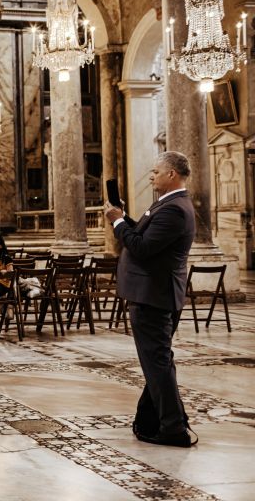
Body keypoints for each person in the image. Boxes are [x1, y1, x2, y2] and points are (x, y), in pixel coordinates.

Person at [105, 151, 196, 448]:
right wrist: (123, 218)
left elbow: (142, 248)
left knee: (157, 364)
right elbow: (145, 236)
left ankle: (173, 429)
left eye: (156, 171)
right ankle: (158, 420)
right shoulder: (167, 204)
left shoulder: (174, 209)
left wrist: (118, 223)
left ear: (172, 174)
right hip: (154, 293)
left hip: (153, 296)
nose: (151, 176)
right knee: (158, 363)